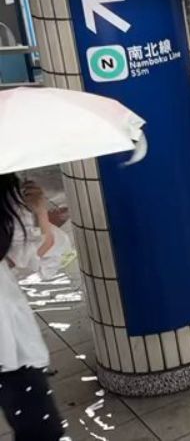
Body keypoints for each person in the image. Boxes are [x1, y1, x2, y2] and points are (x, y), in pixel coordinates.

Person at [0, 173, 64, 440]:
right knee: (40, 430)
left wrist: (40, 218)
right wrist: (39, 215)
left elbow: (21, 255)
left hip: (11, 348)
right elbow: (31, 254)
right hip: (10, 350)